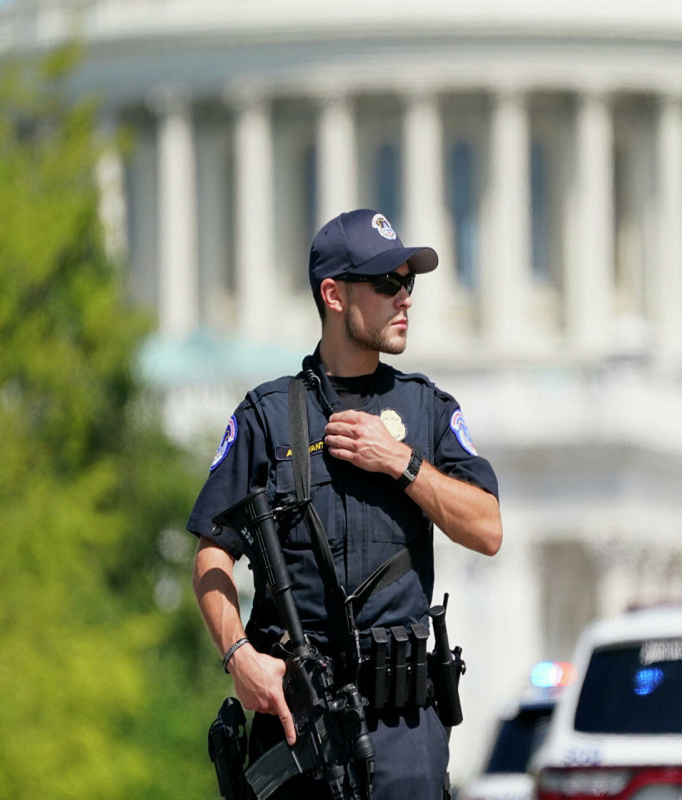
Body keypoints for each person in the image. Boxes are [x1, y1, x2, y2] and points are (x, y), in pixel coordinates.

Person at [188, 208, 503, 800]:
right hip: (298, 724)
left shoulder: (427, 411)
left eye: (408, 282)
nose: (404, 297)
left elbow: (487, 529)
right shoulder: (267, 416)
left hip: (405, 730)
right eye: (387, 283)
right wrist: (238, 656)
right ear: (334, 294)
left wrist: (402, 463)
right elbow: (211, 557)